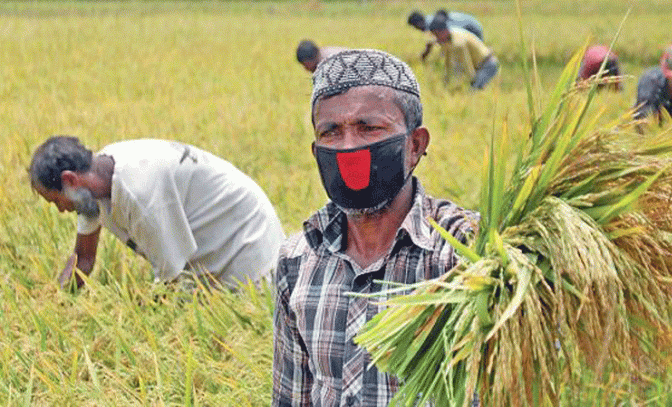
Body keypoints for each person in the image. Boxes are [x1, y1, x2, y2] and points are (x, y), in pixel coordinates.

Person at [272, 49, 478, 406]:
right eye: (331, 132)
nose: (349, 147)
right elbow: (291, 398)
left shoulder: (467, 254)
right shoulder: (297, 261)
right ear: (315, 150)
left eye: (369, 128)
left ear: (415, 145)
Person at [29, 137, 286, 290]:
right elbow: (83, 259)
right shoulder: (91, 190)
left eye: (55, 201)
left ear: (70, 180)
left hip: (244, 238)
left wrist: (139, 319)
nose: (61, 209)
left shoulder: (141, 193)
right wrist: (58, 300)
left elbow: (170, 280)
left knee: (238, 316)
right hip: (208, 245)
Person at [428, 15, 499, 90]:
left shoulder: (458, 43)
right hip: (479, 66)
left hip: (487, 65)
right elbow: (448, 63)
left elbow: (467, 67)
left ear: (444, 31)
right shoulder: (447, 41)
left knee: (473, 91)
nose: (436, 38)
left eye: (437, 35)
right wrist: (446, 82)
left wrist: (463, 85)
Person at [407, 9, 484, 61]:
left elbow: (449, 37)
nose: (417, 29)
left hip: (471, 29)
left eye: (415, 26)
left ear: (419, 23)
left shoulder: (433, 23)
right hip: (472, 26)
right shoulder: (431, 20)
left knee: (474, 56)